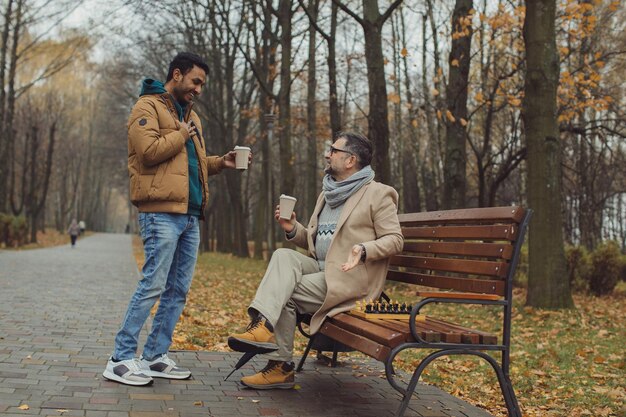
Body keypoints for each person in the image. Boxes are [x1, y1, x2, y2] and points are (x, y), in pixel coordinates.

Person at [103, 52, 249, 386]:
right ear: (177, 74)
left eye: (202, 85)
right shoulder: (147, 107)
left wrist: (220, 162)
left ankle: (154, 356)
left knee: (178, 289)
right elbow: (149, 153)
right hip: (160, 213)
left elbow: (188, 166)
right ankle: (120, 358)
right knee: (153, 283)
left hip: (190, 216)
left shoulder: (192, 118)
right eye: (195, 81)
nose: (199, 89)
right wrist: (182, 133)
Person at [228, 131, 403, 389]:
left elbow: (395, 240)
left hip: (349, 279)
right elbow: (315, 242)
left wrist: (363, 249)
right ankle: (264, 327)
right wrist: (291, 228)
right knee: (283, 255)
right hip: (321, 270)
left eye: (333, 150)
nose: (327, 154)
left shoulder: (378, 194)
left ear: (350, 160)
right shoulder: (328, 194)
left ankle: (280, 364)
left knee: (285, 293)